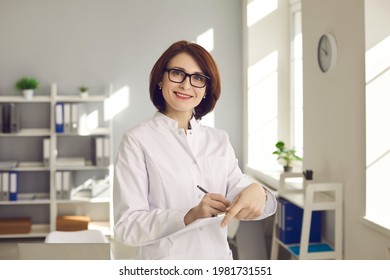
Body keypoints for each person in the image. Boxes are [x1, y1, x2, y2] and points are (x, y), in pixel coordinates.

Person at [113, 40, 276, 260]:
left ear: (207, 89)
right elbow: (127, 226)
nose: (186, 85)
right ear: (161, 79)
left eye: (198, 78)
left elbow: (240, 190)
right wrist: (189, 216)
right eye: (177, 73)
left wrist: (259, 192)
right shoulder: (137, 140)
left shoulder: (218, 139)